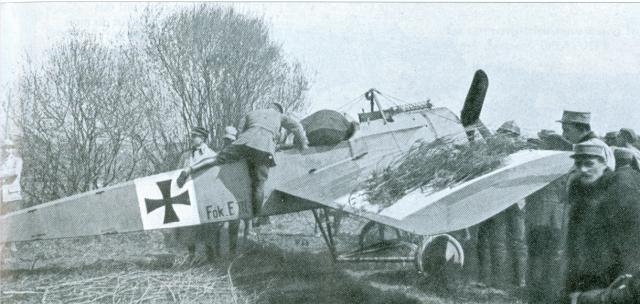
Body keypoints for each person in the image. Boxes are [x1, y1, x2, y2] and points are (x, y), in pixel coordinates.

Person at [180, 103, 308, 227]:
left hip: (243, 142)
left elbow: (240, 131)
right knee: (259, 184)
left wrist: (242, 149)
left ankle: (189, 169)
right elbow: (296, 126)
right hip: (263, 147)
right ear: (279, 110)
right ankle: (256, 218)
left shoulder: (251, 113)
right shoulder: (280, 116)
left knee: (216, 158)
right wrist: (303, 144)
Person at [562, 143, 640, 304]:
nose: (583, 169)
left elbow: (632, 239)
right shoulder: (579, 189)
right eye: (578, 164)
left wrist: (624, 281)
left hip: (614, 274)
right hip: (583, 272)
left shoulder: (619, 189)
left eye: (589, 164)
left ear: (604, 164)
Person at [476, 121, 528, 289]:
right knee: (510, 241)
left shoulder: (504, 149)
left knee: (506, 241)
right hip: (510, 200)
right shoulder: (520, 151)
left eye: (505, 134)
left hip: (507, 200)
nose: (503, 138)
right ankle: (512, 280)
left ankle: (510, 280)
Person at [174, 127, 221, 263]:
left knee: (208, 227)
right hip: (188, 196)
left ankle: (211, 257)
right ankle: (191, 255)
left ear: (203, 138)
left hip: (205, 195)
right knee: (189, 226)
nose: (192, 138)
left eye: (195, 136)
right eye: (192, 136)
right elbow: (178, 173)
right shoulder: (185, 156)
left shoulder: (211, 154)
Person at [1, 139, 23, 214]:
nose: (7, 150)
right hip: (3, 196)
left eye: (9, 147)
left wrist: (2, 174)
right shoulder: (1, 162)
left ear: (12, 149)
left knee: (17, 218)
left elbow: (15, 173)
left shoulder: (17, 160)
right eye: (5, 148)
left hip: (13, 195)